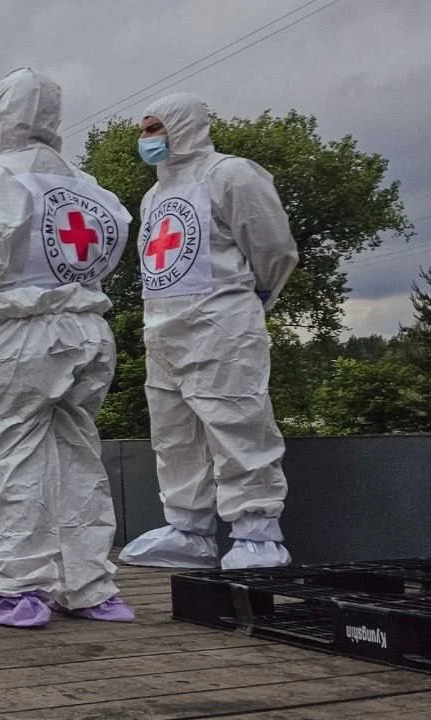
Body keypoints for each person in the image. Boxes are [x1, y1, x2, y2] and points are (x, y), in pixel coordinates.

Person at [0, 68, 135, 628]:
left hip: (13, 334)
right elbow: (111, 244)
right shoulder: (88, 187)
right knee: (77, 458)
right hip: (87, 330)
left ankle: (14, 588)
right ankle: (89, 584)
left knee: (10, 458)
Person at [118, 93, 298, 570]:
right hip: (164, 331)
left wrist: (254, 297)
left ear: (184, 125)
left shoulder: (230, 174)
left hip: (221, 325)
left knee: (238, 423)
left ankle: (258, 533)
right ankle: (188, 529)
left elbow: (273, 247)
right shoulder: (154, 196)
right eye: (144, 130)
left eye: (154, 128)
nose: (146, 139)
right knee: (174, 435)